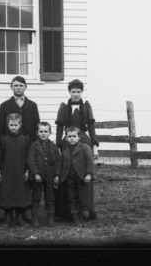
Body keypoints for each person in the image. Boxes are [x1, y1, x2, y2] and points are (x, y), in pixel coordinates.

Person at [54, 79, 99, 220]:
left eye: (78, 92)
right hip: (67, 141)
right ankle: (67, 212)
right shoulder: (64, 107)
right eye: (73, 92)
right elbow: (60, 127)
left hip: (84, 141)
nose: (75, 94)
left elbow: (91, 127)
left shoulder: (86, 106)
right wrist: (59, 146)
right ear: (69, 92)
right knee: (67, 175)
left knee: (84, 173)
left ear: (82, 92)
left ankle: (86, 210)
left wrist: (95, 146)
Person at [0, 113, 33, 227]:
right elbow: (0, 156)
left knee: (20, 192)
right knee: (7, 193)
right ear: (7, 125)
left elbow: (28, 156)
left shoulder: (25, 139)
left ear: (20, 125)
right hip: (7, 170)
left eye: (16, 125)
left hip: (21, 169)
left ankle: (20, 217)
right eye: (11, 125)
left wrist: (27, 170)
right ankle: (8, 217)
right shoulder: (4, 139)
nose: (13, 127)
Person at [57, 126, 95, 227]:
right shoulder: (65, 151)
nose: (72, 138)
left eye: (74, 136)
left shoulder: (84, 147)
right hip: (69, 178)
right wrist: (59, 176)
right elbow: (61, 164)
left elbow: (90, 161)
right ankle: (75, 218)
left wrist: (89, 174)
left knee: (83, 197)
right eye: (69, 136)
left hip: (81, 178)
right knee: (71, 198)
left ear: (79, 137)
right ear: (66, 138)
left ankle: (84, 217)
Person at [27, 122, 61, 227]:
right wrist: (36, 174)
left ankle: (50, 218)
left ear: (50, 132)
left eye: (46, 131)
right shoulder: (34, 145)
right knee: (36, 197)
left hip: (50, 174)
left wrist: (57, 175)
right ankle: (35, 218)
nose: (43, 134)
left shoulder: (54, 146)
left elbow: (58, 162)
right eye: (41, 131)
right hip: (38, 175)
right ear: (37, 133)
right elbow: (30, 161)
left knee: (50, 197)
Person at [0, 76, 40, 141]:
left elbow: (37, 126)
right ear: (11, 87)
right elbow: (0, 128)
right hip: (10, 144)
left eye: (21, 85)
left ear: (25, 87)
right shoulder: (4, 106)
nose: (18, 88)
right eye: (16, 85)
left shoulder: (33, 105)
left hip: (29, 143)